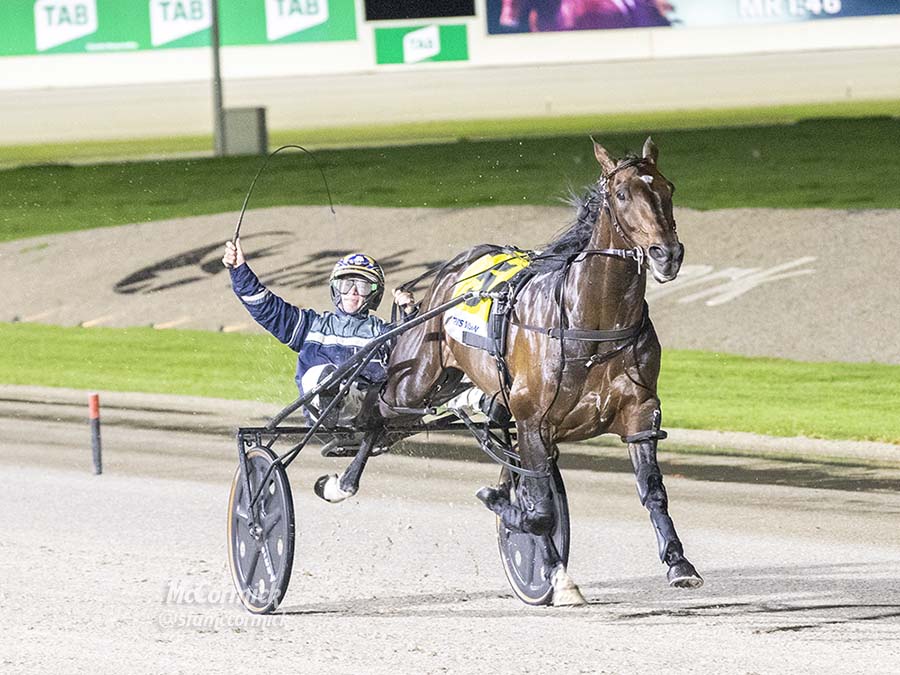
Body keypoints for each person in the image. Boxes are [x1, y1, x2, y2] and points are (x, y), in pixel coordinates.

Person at [223, 239, 416, 455]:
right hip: (322, 419)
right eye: (346, 284)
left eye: (361, 287)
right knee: (321, 376)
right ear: (336, 288)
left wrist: (410, 313)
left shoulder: (384, 332)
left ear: (373, 293)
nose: (353, 292)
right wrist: (239, 270)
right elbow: (266, 307)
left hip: (366, 415)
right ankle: (334, 397)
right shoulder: (311, 326)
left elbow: (416, 351)